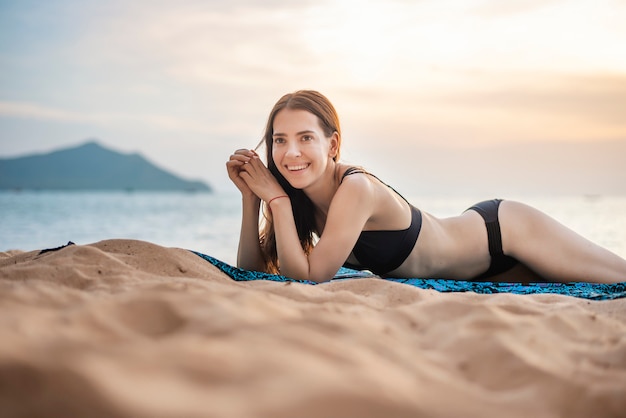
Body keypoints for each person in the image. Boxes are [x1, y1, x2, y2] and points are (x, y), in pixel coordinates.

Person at [227, 90, 626, 284]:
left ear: (332, 144)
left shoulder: (356, 189)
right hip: (487, 276)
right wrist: (251, 199)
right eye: (280, 139)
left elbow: (310, 279)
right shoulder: (296, 200)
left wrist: (275, 198)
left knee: (619, 279)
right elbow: (253, 272)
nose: (291, 151)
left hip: (504, 233)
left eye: (305, 138)